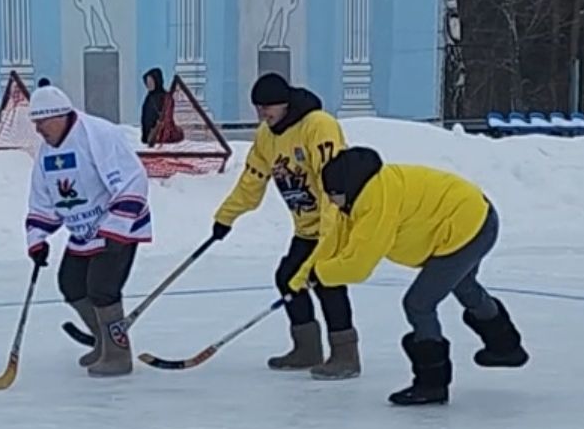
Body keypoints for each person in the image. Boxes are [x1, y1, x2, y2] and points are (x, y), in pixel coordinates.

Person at [296, 147, 529, 406]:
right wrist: (304, 275)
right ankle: (506, 346)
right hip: (475, 216)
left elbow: (358, 266)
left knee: (419, 303)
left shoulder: (375, 203)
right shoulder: (364, 192)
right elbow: (336, 241)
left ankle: (432, 384)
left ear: (347, 188)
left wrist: (320, 274)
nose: (330, 201)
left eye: (333, 194)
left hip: (469, 227)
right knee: (464, 286)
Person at [212, 73, 357, 378]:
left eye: (267, 107)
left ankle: (346, 355)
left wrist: (328, 238)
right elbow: (251, 182)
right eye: (258, 108)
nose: (262, 114)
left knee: (327, 281)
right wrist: (225, 218)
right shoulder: (266, 136)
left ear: (285, 104)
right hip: (306, 227)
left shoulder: (318, 125)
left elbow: (333, 182)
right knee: (289, 278)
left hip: (335, 222)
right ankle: (307, 349)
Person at [21, 84, 152, 377]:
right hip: (83, 231)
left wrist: (117, 227)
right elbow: (43, 199)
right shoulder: (47, 152)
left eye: (41, 122)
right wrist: (37, 239)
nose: (38, 130)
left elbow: (133, 179)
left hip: (120, 224)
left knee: (102, 288)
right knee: (71, 284)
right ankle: (103, 341)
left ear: (58, 116)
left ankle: (118, 356)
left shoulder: (98, 134)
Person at [139, 68, 173, 145]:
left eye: (151, 82)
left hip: (162, 138)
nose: (148, 85)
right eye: (147, 82)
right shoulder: (149, 97)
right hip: (150, 138)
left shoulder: (164, 97)